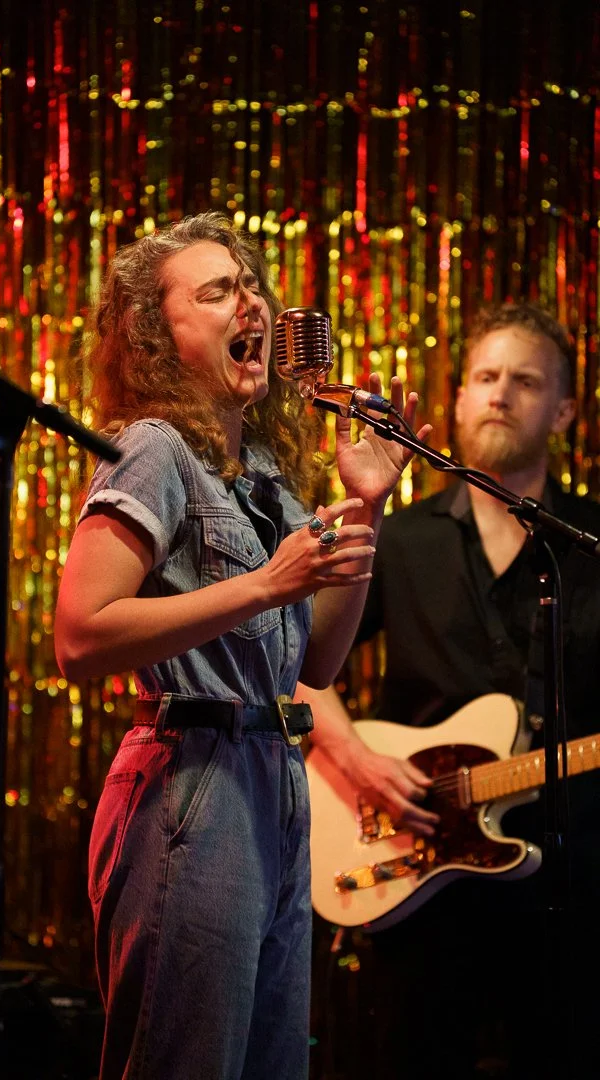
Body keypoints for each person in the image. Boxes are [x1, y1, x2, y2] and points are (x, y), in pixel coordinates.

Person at [52, 211, 428, 1080]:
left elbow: (317, 668)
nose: (248, 301)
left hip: (273, 779)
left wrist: (365, 508)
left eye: (250, 284)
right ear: (157, 333)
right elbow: (80, 635)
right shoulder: (153, 448)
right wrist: (264, 583)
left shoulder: (263, 476)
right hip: (193, 778)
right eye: (216, 290)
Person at [298, 303, 600, 1080]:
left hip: (570, 885)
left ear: (564, 409)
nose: (500, 394)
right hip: (417, 873)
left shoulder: (591, 546)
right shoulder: (400, 538)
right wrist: (359, 762)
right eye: (485, 378)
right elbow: (299, 666)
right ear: (460, 398)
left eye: (525, 382)